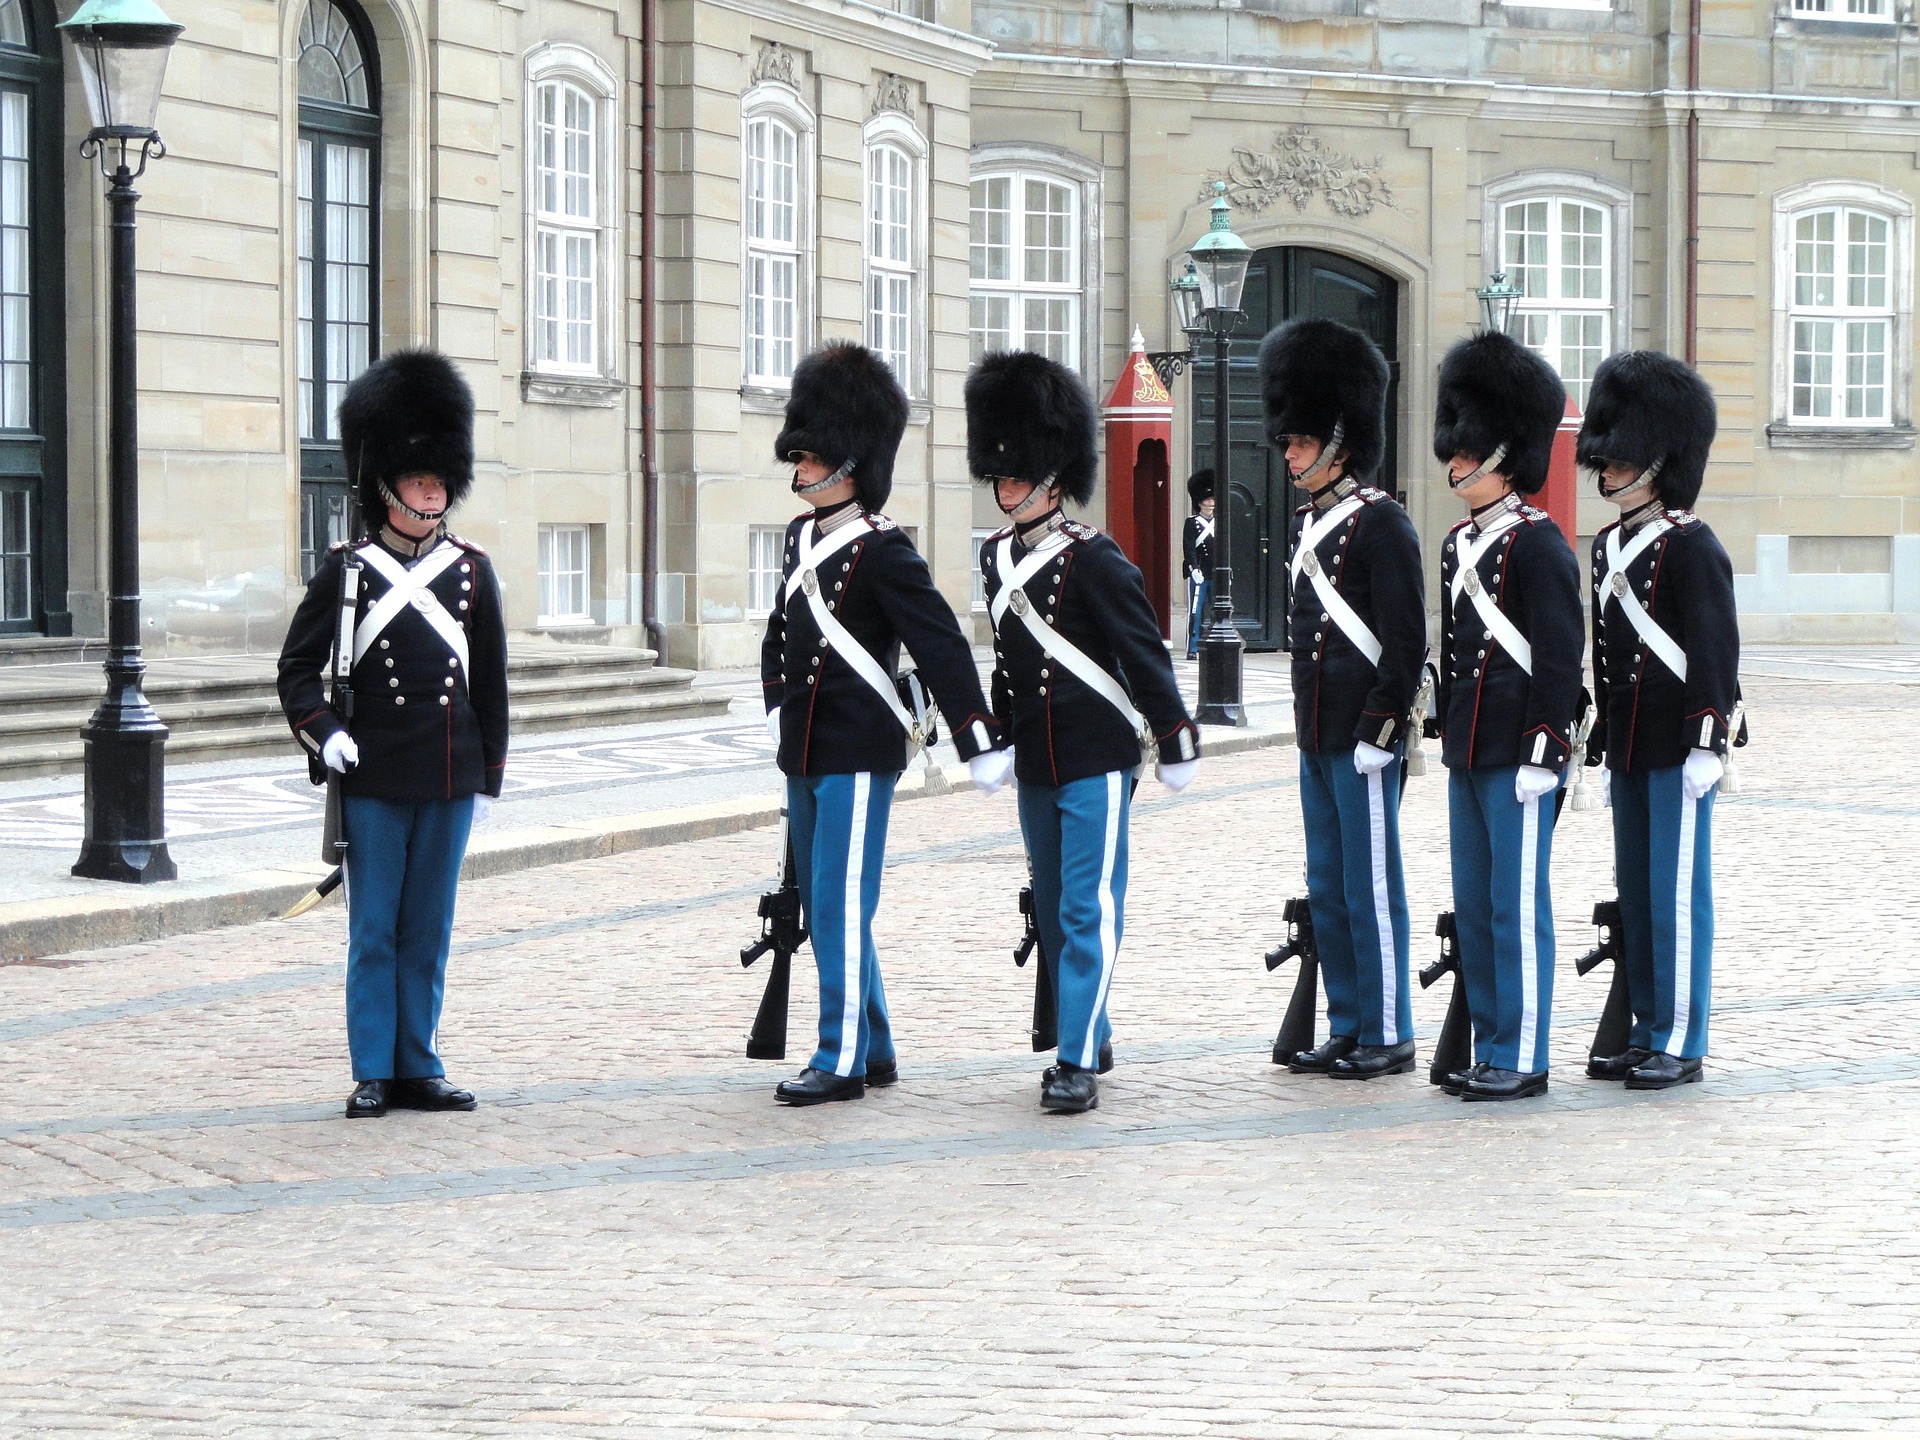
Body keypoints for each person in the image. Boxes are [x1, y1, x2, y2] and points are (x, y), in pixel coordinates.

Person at [760, 341, 1012, 1107]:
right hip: (804, 746)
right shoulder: (802, 540)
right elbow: (785, 633)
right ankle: (873, 1044)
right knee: (828, 897)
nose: (798, 469)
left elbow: (939, 640)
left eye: (810, 458)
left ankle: (837, 1057)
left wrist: (976, 736)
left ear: (848, 463)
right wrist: (778, 702)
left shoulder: (883, 549)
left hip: (859, 748)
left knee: (839, 900)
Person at [277, 349, 507, 1120]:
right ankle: (374, 1065)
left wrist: (489, 777)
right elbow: (297, 672)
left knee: (428, 928)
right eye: (418, 480)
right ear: (386, 486)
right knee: (375, 930)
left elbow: (492, 684)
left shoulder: (471, 573)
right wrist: (325, 735)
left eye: (440, 481)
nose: (433, 492)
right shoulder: (346, 573)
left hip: (446, 776)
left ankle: (420, 1062)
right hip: (373, 776)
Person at [970, 349, 1200, 1114]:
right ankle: (1089, 1025)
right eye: (998, 477)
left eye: (1016, 476)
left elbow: (1142, 652)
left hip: (1097, 758)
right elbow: (1008, 662)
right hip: (1037, 760)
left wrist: (1175, 737)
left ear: (1054, 478)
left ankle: (1074, 1062)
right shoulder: (996, 558)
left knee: (1084, 908)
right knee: (1055, 896)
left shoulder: (1095, 559)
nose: (1004, 490)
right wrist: (998, 735)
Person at [1258, 318, 1426, 1080]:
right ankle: (1350, 1020)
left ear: (1338, 441)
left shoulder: (1382, 524)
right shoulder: (1307, 524)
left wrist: (1381, 726)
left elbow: (1404, 639)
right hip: (1317, 735)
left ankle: (1388, 1028)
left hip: (1361, 737)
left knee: (1371, 888)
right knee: (1329, 887)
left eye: (1299, 443)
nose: (1288, 455)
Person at [1577, 350, 1740, 1090]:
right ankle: (1646, 1026)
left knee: (1676, 897)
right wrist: (1605, 745)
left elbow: (1713, 647)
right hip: (1633, 745)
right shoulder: (1610, 546)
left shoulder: (1691, 544)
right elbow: (1606, 656)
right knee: (1638, 894)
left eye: (1620, 459)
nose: (1606, 470)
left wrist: (1711, 737)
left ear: (1658, 460)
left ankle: (1680, 1036)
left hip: (1678, 744)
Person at [1430, 331, 1583, 1102]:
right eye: (1453, 449)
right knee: (1479, 906)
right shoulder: (1460, 544)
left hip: (1520, 756)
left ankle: (1523, 1054)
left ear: (1501, 455)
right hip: (1471, 749)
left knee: (1517, 906)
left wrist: (1545, 750)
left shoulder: (1540, 545)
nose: (1453, 462)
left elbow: (1559, 660)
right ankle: (1491, 1041)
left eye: (1466, 451)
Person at [1181, 469, 1215, 660]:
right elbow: (1188, 548)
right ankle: (1193, 647)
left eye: (1212, 498)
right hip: (1199, 573)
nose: (1210, 502)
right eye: (1206, 498)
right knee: (1196, 612)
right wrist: (1193, 568)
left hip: (1215, 573)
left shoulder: (1220, 521)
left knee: (1219, 613)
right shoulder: (1192, 523)